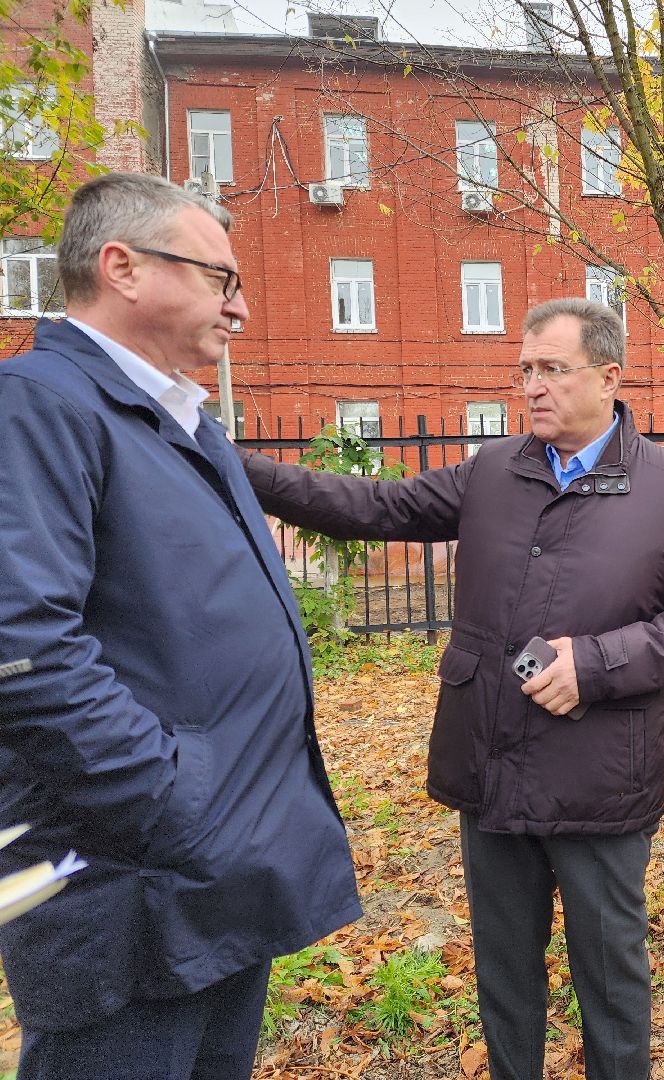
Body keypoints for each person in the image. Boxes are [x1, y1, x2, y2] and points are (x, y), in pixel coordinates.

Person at [241, 297, 664, 1080]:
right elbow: (374, 507)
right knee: (505, 969)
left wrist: (598, 664)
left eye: (551, 369)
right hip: (492, 761)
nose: (532, 387)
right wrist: (240, 467)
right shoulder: (493, 472)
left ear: (610, 376)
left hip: (600, 776)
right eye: (525, 371)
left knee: (610, 975)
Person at [0, 173, 361, 1079]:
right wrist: (175, 799)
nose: (239, 307)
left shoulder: (173, 421)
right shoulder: (38, 407)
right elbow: (21, 645)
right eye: (219, 279)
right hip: (130, 891)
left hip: (212, 879)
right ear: (121, 266)